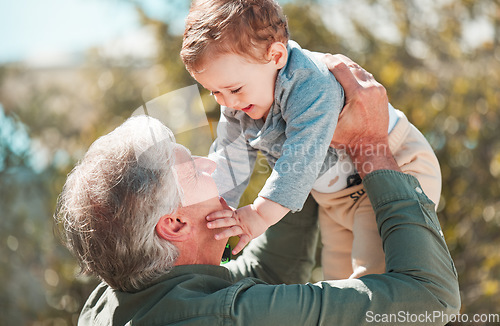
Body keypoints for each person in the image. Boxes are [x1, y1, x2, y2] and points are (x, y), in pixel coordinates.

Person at [55, 55, 460, 325]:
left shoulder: (108, 303)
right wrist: (370, 145)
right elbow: (432, 300)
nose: (209, 162)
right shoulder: (230, 316)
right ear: (174, 224)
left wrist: (296, 139)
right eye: (193, 170)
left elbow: (267, 273)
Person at [180, 0, 442, 279]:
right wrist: (212, 218)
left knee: (372, 278)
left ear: (276, 57)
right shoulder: (239, 103)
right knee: (338, 282)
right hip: (337, 197)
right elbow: (229, 159)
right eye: (214, 92)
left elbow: (300, 158)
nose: (227, 102)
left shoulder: (310, 83)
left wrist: (258, 216)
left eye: (234, 89)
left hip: (394, 167)